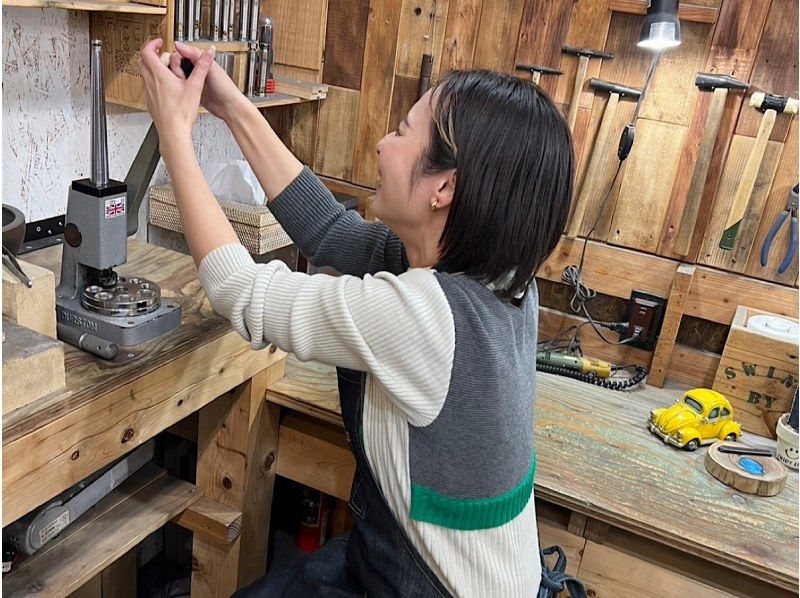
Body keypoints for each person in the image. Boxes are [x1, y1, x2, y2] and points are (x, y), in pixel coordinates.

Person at [138, 38, 574, 597]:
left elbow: (240, 291)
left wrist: (174, 135)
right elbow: (331, 233)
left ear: (443, 187)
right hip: (426, 565)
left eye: (400, 131)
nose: (380, 143)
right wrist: (229, 107)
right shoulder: (502, 277)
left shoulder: (425, 316)